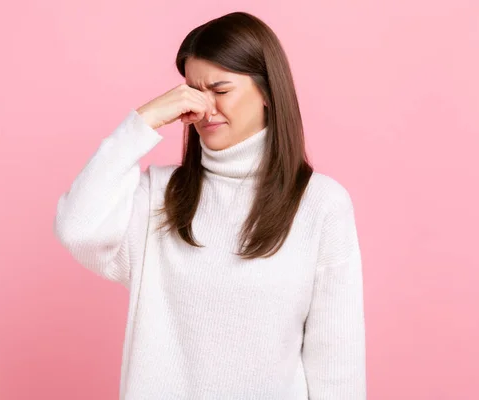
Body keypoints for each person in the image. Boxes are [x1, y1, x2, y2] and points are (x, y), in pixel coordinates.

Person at [54, 11, 366, 400]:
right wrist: (143, 121)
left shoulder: (321, 204)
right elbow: (77, 228)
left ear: (268, 91)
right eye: (193, 93)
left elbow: (336, 362)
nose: (204, 109)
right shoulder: (159, 195)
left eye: (220, 91)